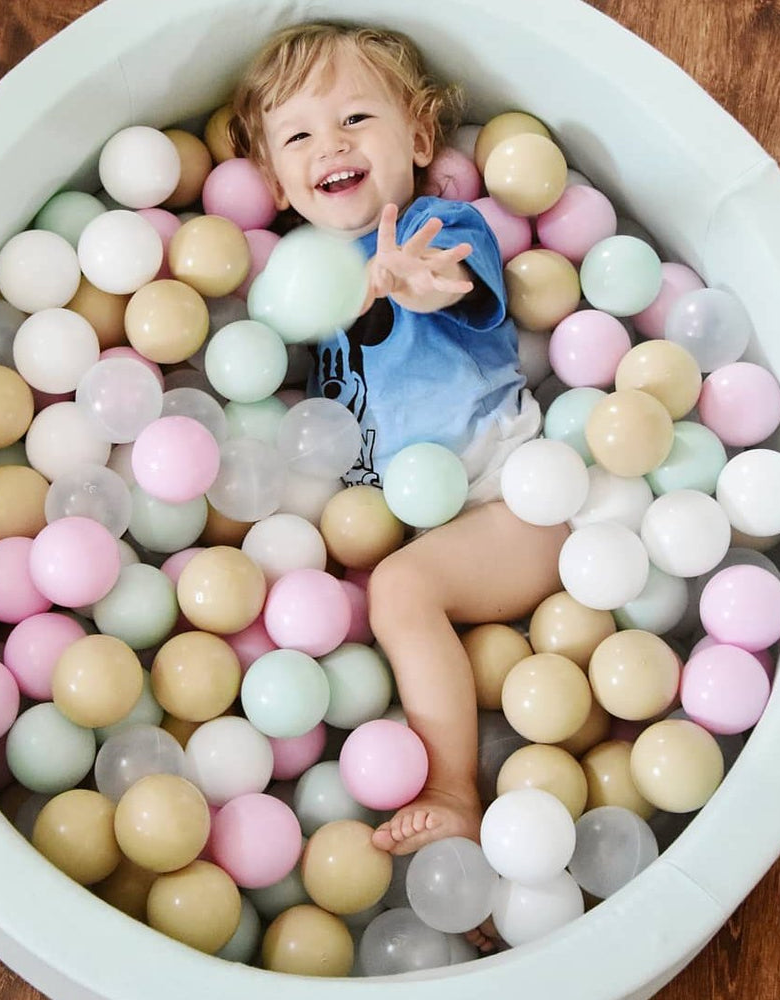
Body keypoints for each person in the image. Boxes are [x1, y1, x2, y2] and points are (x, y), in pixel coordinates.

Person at [230, 22, 569, 881]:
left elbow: (457, 274)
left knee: (401, 587)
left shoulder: (431, 223)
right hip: (390, 523)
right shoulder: (298, 282)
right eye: (299, 135)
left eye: (355, 118)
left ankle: (455, 792)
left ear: (419, 138)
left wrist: (422, 281)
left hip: (508, 504)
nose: (331, 144)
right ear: (274, 180)